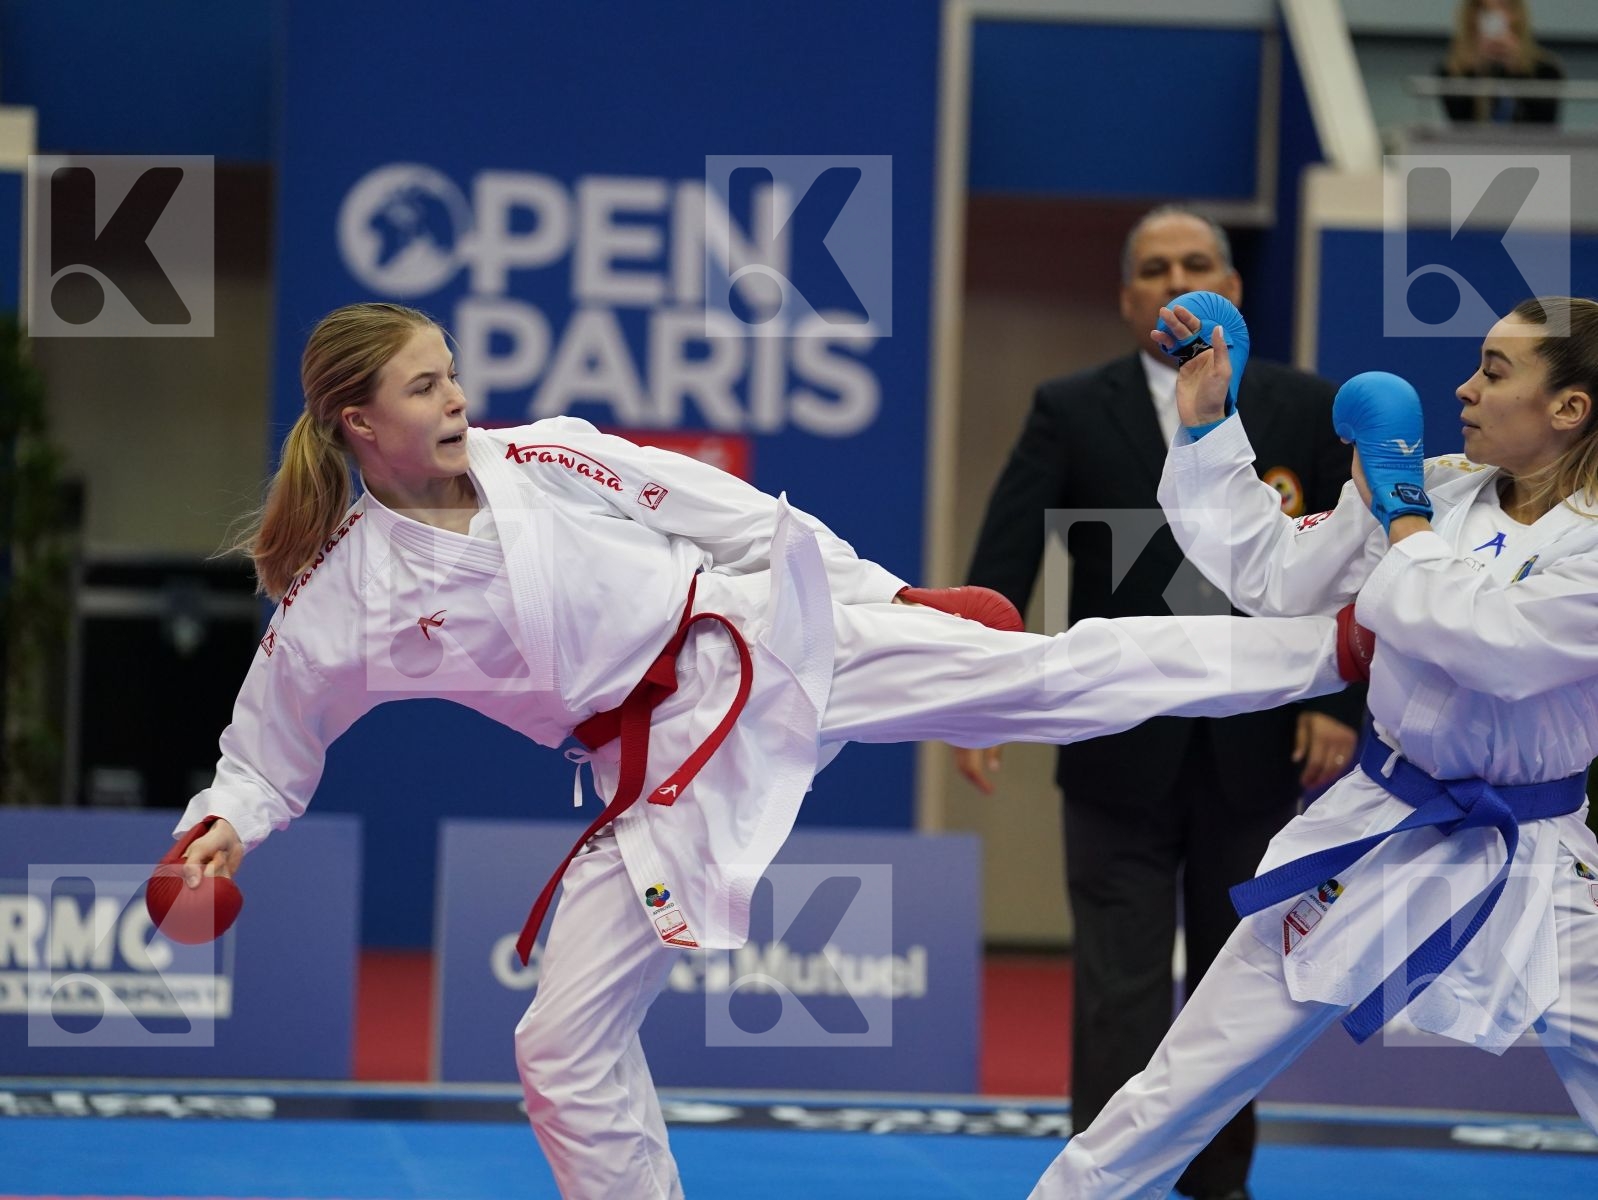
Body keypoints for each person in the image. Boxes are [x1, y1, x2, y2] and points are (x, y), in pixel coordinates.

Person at [166, 303, 1359, 1200]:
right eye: (424, 388)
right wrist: (222, 828)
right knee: (557, 1045)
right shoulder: (340, 599)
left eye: (453, 374)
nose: (455, 398)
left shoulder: (535, 459)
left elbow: (717, 509)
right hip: (666, 767)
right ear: (356, 421)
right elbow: (267, 749)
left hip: (759, 642)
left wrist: (896, 595)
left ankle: (1333, 646)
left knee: (1051, 679)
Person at [1029, 293, 1598, 1198]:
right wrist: (1212, 419)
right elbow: (1279, 577)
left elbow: (1497, 648)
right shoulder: (1436, 484)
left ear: (1569, 407)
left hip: (1535, 853)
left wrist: (1404, 519)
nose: (1463, 389)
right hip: (1378, 825)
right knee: (1181, 1083)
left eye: (1494, 371)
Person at [959, 207, 1362, 1200]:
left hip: (1256, 745)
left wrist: (1340, 708)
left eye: (1194, 262)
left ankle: (1217, 1185)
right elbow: (1004, 555)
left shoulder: (1300, 406)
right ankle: (1105, 1181)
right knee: (1116, 989)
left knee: (1237, 988)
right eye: (1152, 268)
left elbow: (1352, 561)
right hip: (1111, 741)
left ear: (1227, 284)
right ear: (1127, 298)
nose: (1173, 278)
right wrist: (979, 698)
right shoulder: (1069, 405)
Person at [1438, 0, 1564, 126]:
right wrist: (1475, 69)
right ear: (1469, 16)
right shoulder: (1452, 72)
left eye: (1504, 6)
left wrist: (1518, 70)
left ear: (1519, 14)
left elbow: (1545, 126)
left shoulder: (1547, 70)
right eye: (1484, 11)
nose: (1496, 18)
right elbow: (1460, 125)